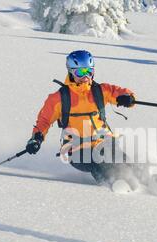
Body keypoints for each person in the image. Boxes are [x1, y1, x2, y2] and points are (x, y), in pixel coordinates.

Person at [26, 50, 140, 187]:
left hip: (104, 142)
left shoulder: (100, 91)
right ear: (71, 72)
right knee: (96, 161)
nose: (85, 77)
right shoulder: (59, 98)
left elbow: (118, 92)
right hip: (77, 149)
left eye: (89, 71)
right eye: (80, 72)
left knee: (124, 163)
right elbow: (44, 121)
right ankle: (114, 185)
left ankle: (152, 183)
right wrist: (36, 138)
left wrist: (128, 98)